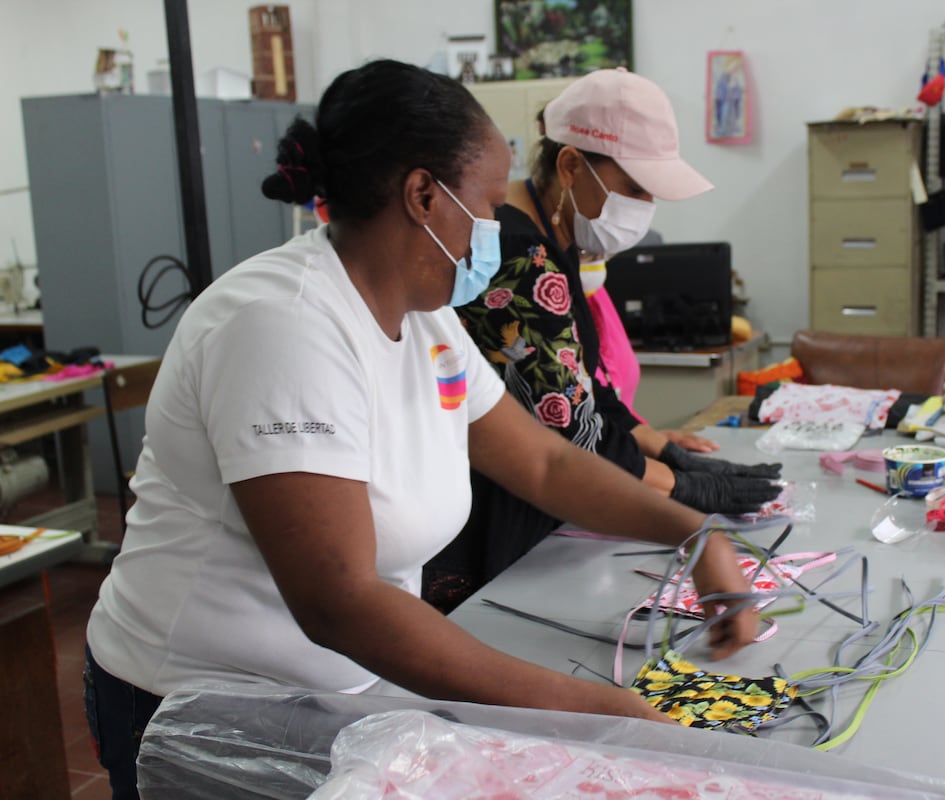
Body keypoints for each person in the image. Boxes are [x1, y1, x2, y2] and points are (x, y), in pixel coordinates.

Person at [82, 60, 759, 799]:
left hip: (338, 690)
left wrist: (695, 533)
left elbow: (544, 463)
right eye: (488, 206)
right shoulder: (281, 325)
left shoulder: (426, 317)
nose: (496, 231)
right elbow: (339, 601)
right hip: (200, 710)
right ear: (423, 196)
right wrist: (592, 711)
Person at [426, 69, 780, 611]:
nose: (643, 206)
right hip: (497, 517)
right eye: (634, 189)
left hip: (543, 495)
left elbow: (584, 383)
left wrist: (662, 447)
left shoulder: (555, 239)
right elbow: (569, 428)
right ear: (571, 166)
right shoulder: (522, 255)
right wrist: (679, 488)